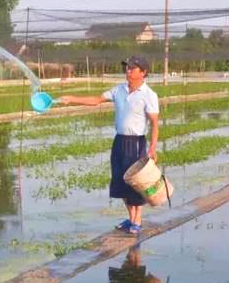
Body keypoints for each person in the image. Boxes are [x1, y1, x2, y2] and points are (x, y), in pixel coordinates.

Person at [58, 56, 160, 234]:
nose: (128, 71)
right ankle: (130, 218)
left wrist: (152, 148)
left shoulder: (149, 95)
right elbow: (96, 100)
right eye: (127, 67)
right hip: (119, 141)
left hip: (136, 142)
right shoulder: (118, 90)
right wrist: (72, 98)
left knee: (135, 181)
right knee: (120, 179)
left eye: (132, 68)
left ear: (143, 72)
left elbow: (154, 123)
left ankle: (137, 220)